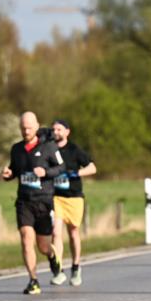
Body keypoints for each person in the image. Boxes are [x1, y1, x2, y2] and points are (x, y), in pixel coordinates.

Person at [2, 112, 64, 295]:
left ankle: (52, 256)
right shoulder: (17, 149)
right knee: (26, 238)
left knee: (43, 246)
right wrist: (8, 175)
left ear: (37, 126)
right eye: (23, 128)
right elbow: (14, 170)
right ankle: (33, 280)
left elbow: (61, 168)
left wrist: (45, 172)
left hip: (43, 201)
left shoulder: (49, 147)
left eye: (29, 127)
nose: (26, 131)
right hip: (24, 202)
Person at [48, 119, 96, 287]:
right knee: (55, 232)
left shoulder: (74, 150)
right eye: (54, 129)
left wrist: (76, 173)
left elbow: (92, 168)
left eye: (59, 129)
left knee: (74, 232)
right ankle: (59, 270)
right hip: (56, 197)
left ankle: (75, 267)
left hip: (74, 197)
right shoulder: (49, 149)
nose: (56, 132)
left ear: (67, 132)